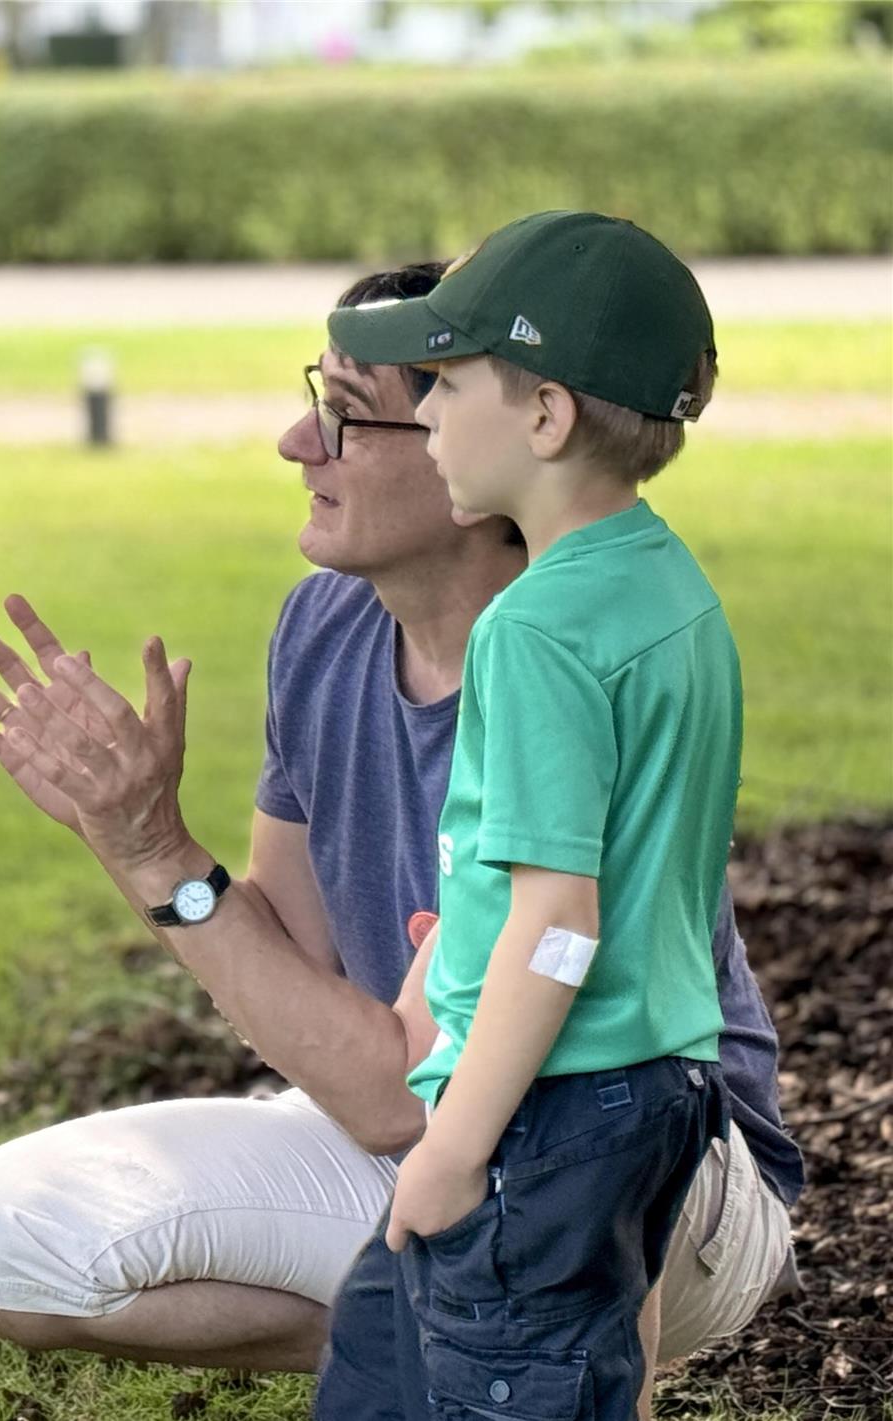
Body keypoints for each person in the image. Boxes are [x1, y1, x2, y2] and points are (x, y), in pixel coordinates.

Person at [0, 259, 799, 1384]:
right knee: (13, 1236)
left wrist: (165, 862)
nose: (297, 442)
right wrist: (139, 839)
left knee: (461, 1233)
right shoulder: (327, 622)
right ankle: (481, 1339)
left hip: (642, 1162)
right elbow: (294, 983)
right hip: (433, 1119)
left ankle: (533, 1338)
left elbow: (457, 1022)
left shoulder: (561, 653)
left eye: (347, 414)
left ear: (482, 451)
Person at [313, 209, 745, 1416]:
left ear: (546, 416)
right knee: (392, 1353)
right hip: (654, 1082)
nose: (429, 412)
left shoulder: (535, 629)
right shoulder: (672, 591)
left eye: (446, 381)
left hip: (544, 1105)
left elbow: (559, 922)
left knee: (513, 1376)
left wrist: (451, 1150)